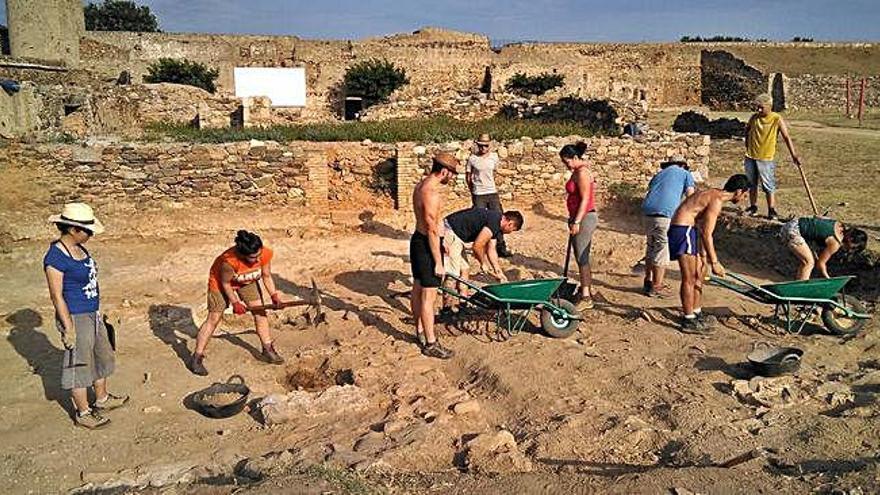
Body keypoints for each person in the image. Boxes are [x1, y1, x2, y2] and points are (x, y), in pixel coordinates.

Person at [44, 203, 128, 429]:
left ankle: (102, 398)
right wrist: (68, 327)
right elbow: (57, 295)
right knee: (79, 365)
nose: (90, 234)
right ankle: (83, 412)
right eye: (87, 230)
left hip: (92, 312)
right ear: (73, 229)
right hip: (75, 315)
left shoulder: (81, 249)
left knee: (103, 355)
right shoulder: (56, 257)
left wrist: (98, 311)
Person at [189, 230, 290, 375]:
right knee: (213, 319)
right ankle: (196, 357)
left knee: (260, 313)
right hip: (220, 283)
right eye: (252, 258)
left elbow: (266, 276)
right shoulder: (229, 261)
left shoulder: (265, 254)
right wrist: (235, 302)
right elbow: (226, 283)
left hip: (247, 281)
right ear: (242, 255)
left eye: (258, 255)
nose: (256, 260)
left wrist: (274, 296)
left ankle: (268, 350)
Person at [668, 175, 751, 332]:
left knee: (699, 274)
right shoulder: (717, 200)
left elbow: (700, 226)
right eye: (745, 195)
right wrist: (715, 262)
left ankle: (696, 312)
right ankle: (688, 320)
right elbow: (707, 233)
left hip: (689, 230)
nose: (745, 199)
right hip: (682, 230)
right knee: (690, 278)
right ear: (739, 191)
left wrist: (703, 255)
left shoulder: (713, 194)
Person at [411, 152, 459, 359]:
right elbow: (431, 228)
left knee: (418, 287)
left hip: (418, 240)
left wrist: (443, 242)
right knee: (429, 295)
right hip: (425, 244)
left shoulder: (421, 185)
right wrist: (438, 260)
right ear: (445, 171)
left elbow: (433, 224)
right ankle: (431, 343)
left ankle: (420, 332)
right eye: (452, 174)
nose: (453, 178)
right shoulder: (431, 192)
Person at [440, 208, 524, 315]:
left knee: (465, 270)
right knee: (453, 274)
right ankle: (446, 309)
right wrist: (483, 263)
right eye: (512, 230)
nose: (510, 232)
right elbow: (477, 246)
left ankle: (463, 304)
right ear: (510, 224)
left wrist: (498, 270)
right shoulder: (494, 221)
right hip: (450, 231)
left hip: (459, 236)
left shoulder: (497, 226)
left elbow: (491, 249)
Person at [641, 155, 696, 297]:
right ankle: (657, 286)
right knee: (661, 248)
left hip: (647, 213)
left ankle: (648, 280)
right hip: (664, 214)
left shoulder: (658, 175)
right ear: (683, 165)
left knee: (651, 245)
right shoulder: (685, 174)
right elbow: (691, 196)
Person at [743, 93, 801, 220]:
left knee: (768, 184)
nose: (758, 110)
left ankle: (772, 210)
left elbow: (786, 137)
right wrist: (747, 144)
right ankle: (753, 207)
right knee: (751, 183)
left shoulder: (776, 119)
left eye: (761, 107)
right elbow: (747, 131)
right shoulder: (754, 118)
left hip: (766, 157)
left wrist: (794, 155)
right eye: (757, 107)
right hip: (751, 156)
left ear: (769, 106)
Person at [560, 141, 598, 311]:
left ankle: (586, 296)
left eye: (567, 161)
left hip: (584, 217)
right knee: (579, 255)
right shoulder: (577, 171)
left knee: (582, 257)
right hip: (577, 217)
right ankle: (585, 290)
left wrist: (577, 221)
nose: (566, 165)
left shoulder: (582, 173)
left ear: (575, 157)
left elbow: (585, 199)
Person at [467, 133, 512, 257]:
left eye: (485, 146)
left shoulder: (494, 157)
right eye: (481, 146)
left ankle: (501, 247)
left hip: (492, 193)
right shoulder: (472, 158)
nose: (483, 149)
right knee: (479, 220)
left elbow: (495, 173)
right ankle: (479, 247)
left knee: (499, 219)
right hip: (479, 193)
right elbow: (468, 176)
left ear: (489, 146)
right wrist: (473, 190)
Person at [780, 216, 868, 280]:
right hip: (794, 231)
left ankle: (798, 283)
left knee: (805, 262)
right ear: (851, 239)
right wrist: (828, 278)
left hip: (792, 224)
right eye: (853, 247)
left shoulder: (838, 224)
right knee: (809, 262)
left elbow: (817, 217)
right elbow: (821, 264)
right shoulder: (835, 243)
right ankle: (800, 289)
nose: (850, 249)